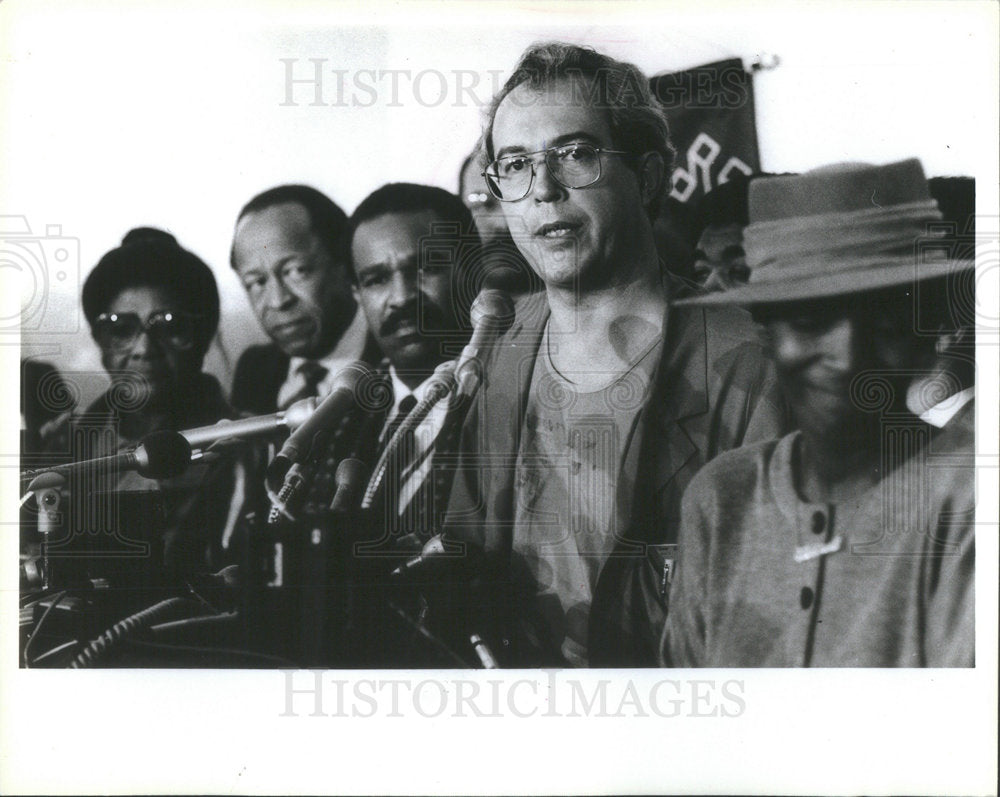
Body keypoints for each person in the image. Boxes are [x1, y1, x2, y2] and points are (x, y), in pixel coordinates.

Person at [440, 42, 787, 667]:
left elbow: (768, 625)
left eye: (575, 155)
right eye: (514, 165)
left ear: (649, 175)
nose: (543, 189)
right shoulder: (495, 352)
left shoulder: (748, 365)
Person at [663, 159, 975, 667]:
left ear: (929, 333)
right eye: (811, 322)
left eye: (887, 322)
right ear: (765, 332)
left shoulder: (967, 502)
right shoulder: (722, 499)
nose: (850, 358)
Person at [40, 228, 239, 578]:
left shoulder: (242, 447)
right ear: (101, 342)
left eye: (170, 325)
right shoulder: (61, 445)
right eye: (120, 328)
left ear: (203, 338)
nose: (144, 348)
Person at [348, 182, 478, 548]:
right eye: (376, 280)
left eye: (426, 267)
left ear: (471, 270)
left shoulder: (509, 401)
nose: (402, 297)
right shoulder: (341, 414)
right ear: (358, 293)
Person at [229, 184, 381, 414]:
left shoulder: (397, 356)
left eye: (296, 271)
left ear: (344, 262)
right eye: (257, 282)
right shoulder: (254, 370)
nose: (278, 301)